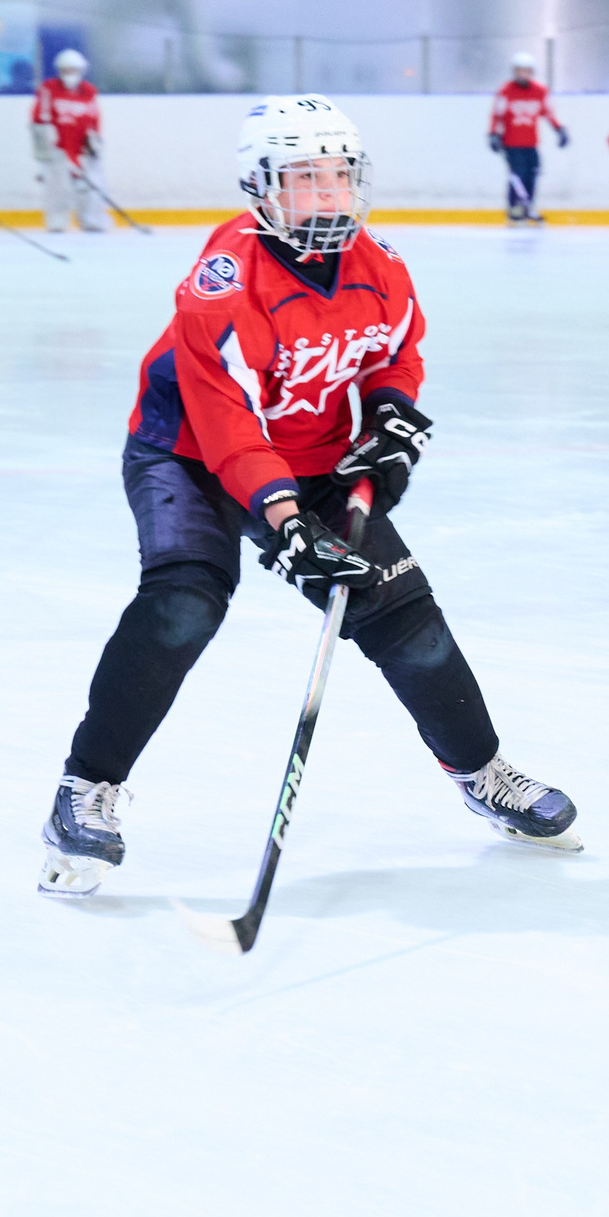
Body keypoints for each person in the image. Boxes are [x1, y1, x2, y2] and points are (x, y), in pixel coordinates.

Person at [37, 94, 577, 897]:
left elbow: (396, 354)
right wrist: (287, 521)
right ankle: (85, 788)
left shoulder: (382, 264)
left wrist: (392, 415)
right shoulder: (225, 281)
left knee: (406, 617)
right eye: (303, 178)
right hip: (187, 454)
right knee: (185, 602)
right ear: (261, 187)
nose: (326, 196)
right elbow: (227, 424)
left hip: (312, 455)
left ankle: (480, 768)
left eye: (337, 176)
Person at [33, 48, 108, 233]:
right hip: (58, 147)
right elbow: (39, 119)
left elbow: (94, 118)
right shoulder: (49, 89)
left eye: (74, 70)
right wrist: (45, 144)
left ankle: (92, 219)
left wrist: (94, 141)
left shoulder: (88, 92)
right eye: (66, 70)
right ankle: (57, 221)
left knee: (92, 185)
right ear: (60, 71)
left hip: (82, 148)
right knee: (58, 186)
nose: (70, 74)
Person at [486, 51, 566, 225]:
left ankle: (528, 207)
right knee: (517, 175)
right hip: (511, 143)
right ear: (514, 72)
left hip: (531, 143)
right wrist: (493, 134)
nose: (523, 74)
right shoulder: (506, 91)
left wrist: (560, 130)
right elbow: (497, 115)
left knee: (533, 173)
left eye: (526, 71)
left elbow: (548, 113)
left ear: (532, 72)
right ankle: (514, 208)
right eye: (519, 70)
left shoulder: (540, 91)